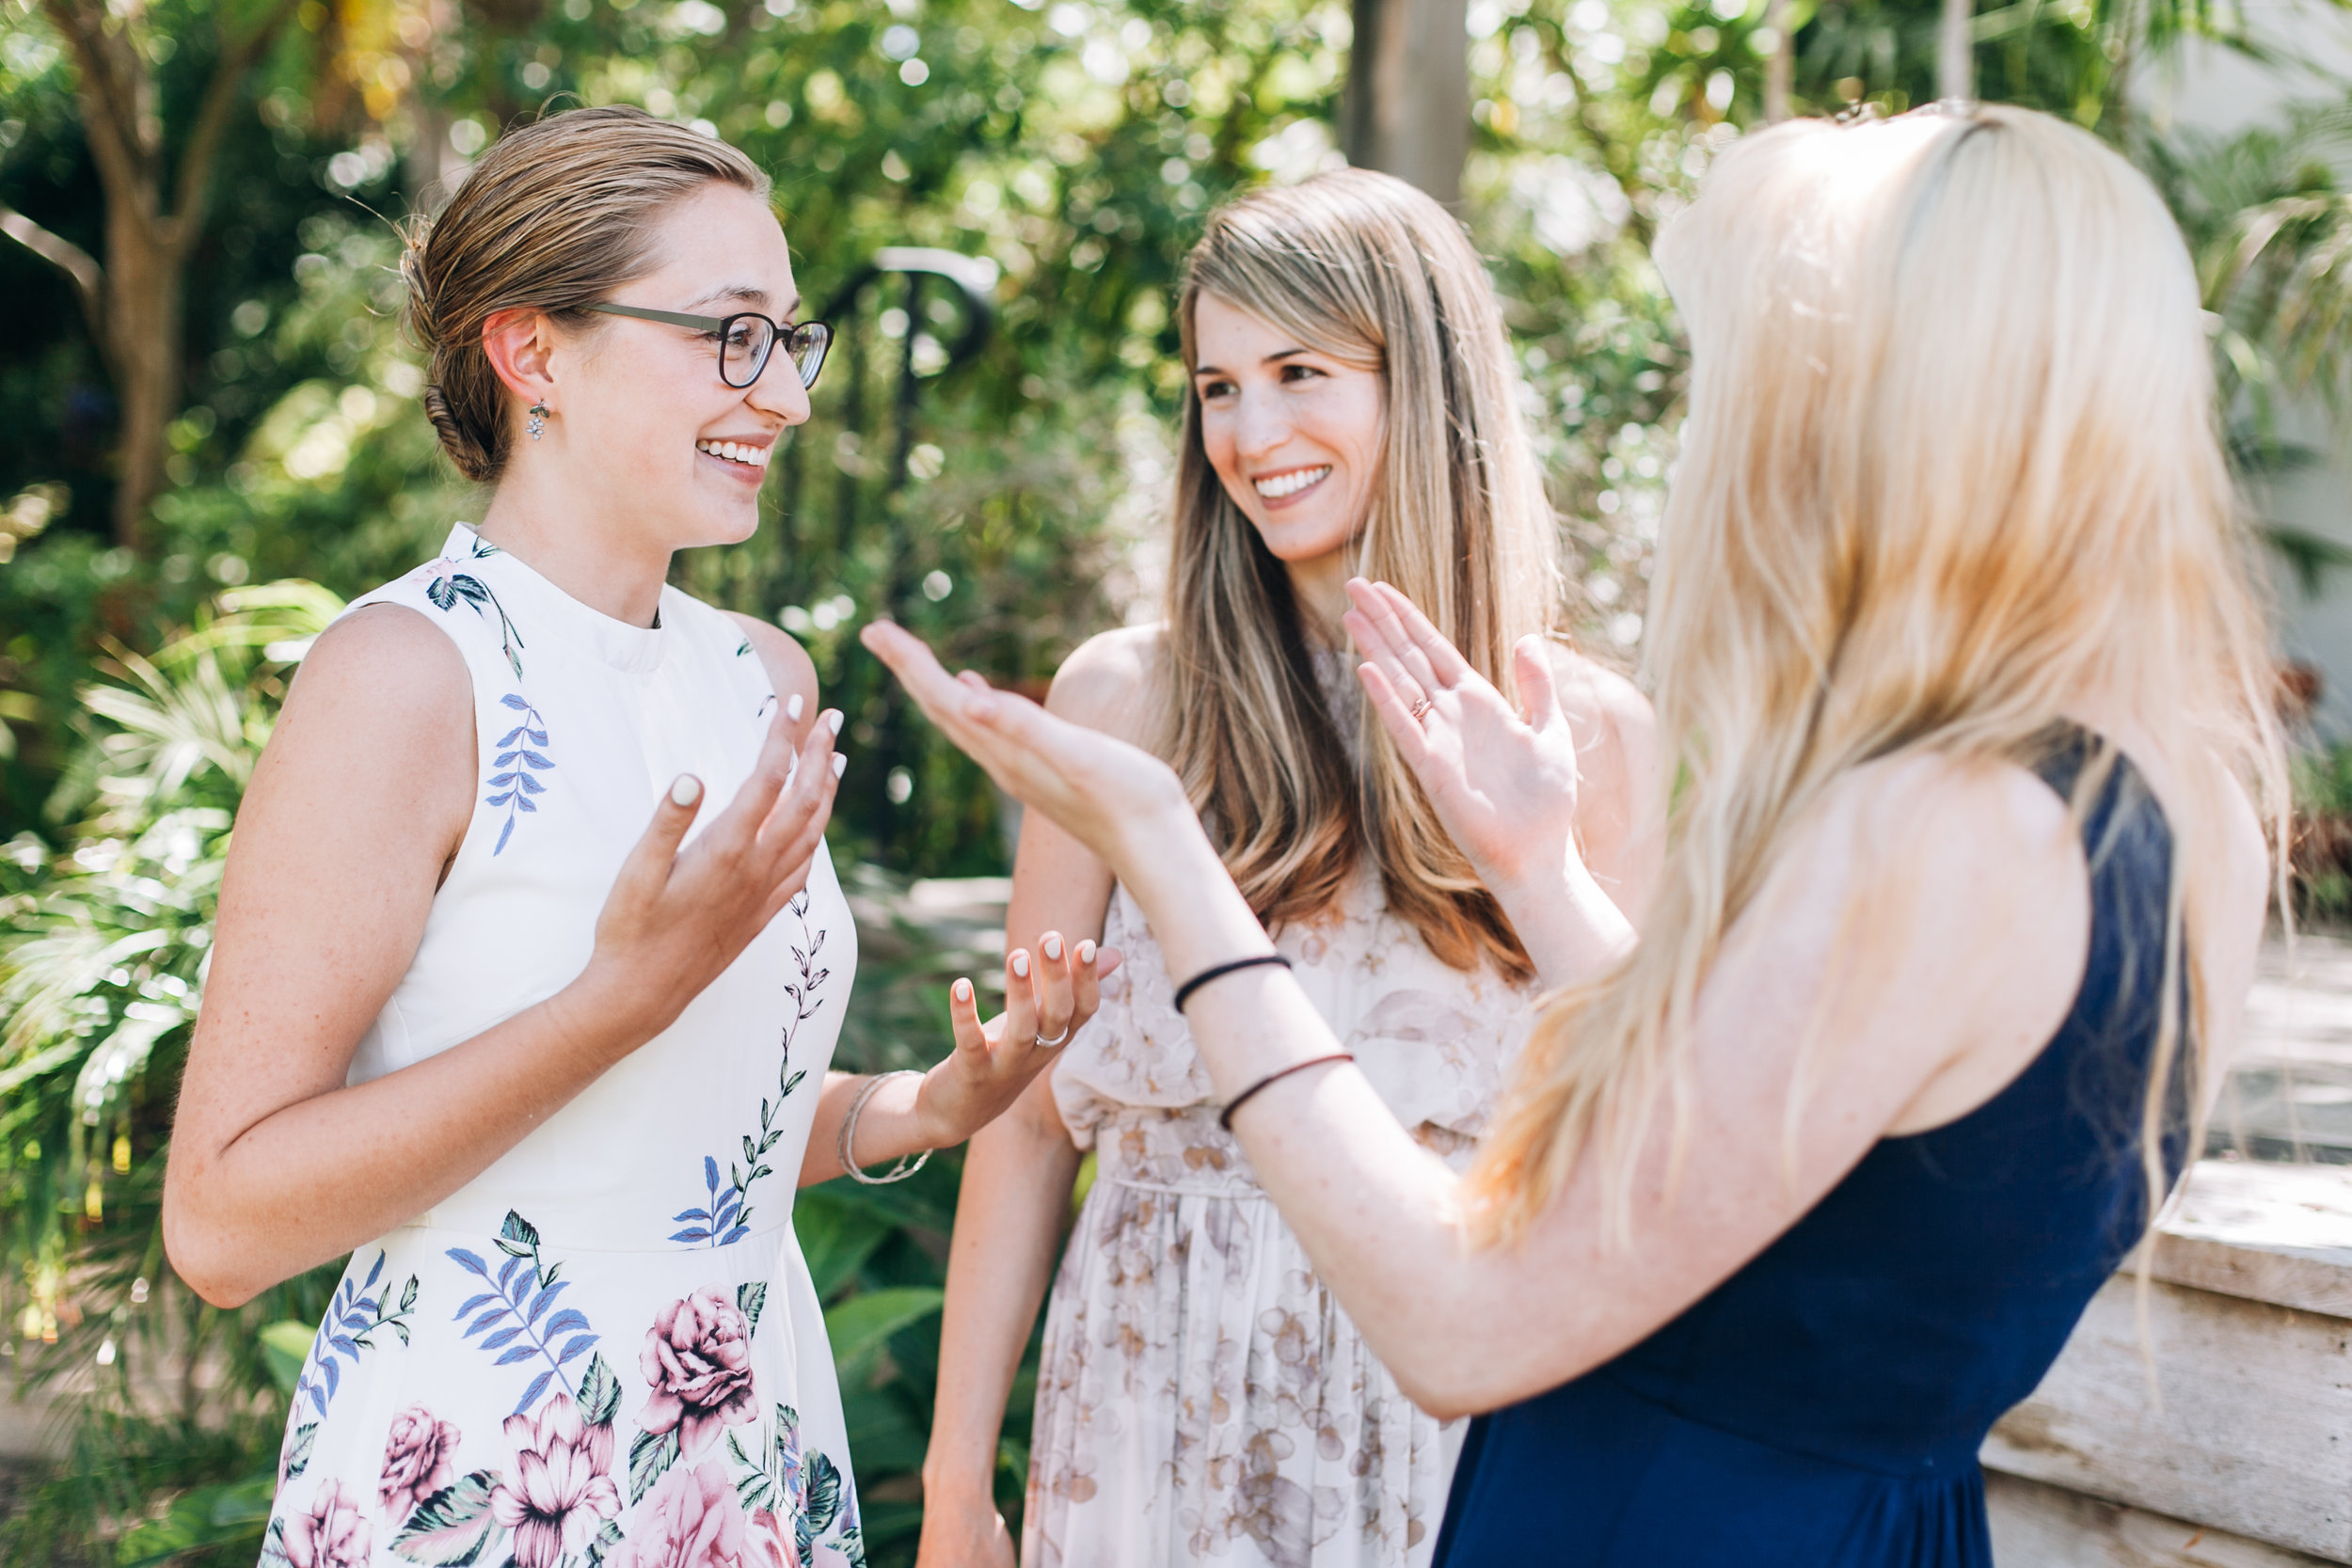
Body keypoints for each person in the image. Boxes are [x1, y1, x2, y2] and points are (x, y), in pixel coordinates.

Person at [868, 102, 2283, 1568]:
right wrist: (1541, 873)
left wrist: (1168, 849)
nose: (1713, 439)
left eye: (1745, 374)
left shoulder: (1932, 826)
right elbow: (1739, 1153)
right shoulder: (2178, 814)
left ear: (1885, 408)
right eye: (1220, 385)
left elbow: (1463, 1321)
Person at [161, 107, 1105, 1568]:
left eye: (792, 340)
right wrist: (619, 996)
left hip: (743, 1450)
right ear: (531, 351)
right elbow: (222, 1226)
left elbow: (665, 1145)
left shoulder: (762, 680)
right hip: (487, 1469)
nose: (785, 396)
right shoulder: (406, 678)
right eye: (732, 335)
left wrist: (911, 1110)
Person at [915, 169, 1658, 1568]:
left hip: (1448, 1433)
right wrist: (961, 1486)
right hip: (1141, 1407)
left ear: (1422, 378)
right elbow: (1023, 1124)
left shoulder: (1591, 741)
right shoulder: (1125, 706)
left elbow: (1645, 1168)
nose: (1252, 435)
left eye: (1300, 373)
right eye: (1217, 388)